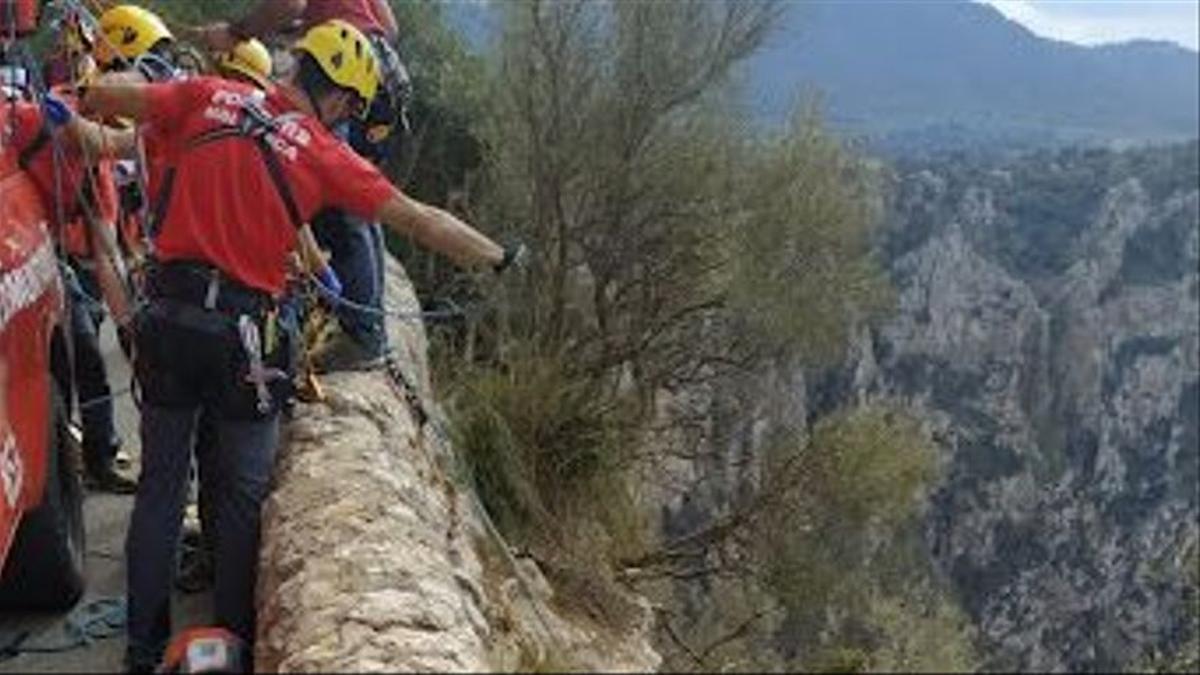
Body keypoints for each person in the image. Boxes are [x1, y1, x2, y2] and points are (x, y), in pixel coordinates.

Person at [73, 18, 522, 671]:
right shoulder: (320, 151)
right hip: (242, 338)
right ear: (339, 99)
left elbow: (109, 99)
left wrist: (91, 86)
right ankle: (226, 651)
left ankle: (143, 651)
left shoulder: (207, 95)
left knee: (162, 489)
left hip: (168, 317)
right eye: (349, 108)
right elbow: (416, 217)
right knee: (240, 498)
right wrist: (498, 256)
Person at [196, 0, 413, 371]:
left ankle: (362, 335)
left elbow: (288, 3)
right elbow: (389, 26)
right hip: (374, 69)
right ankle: (367, 324)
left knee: (343, 210)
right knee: (359, 200)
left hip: (338, 77)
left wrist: (236, 33)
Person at [6, 64, 136, 493]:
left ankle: (92, 453)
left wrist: (129, 329)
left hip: (46, 252)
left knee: (82, 345)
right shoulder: (34, 118)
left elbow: (107, 255)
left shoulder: (96, 176)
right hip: (20, 241)